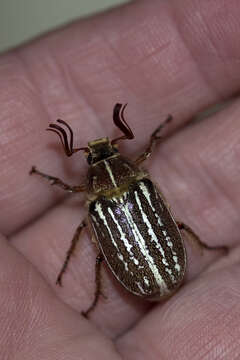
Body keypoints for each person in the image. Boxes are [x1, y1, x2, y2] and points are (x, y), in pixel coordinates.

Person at [0, 1, 239, 358]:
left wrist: (47, 178)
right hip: (159, 267)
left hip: (149, 270)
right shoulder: (139, 177)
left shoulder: (93, 196)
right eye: (105, 151)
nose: (101, 149)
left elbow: (68, 188)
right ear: (122, 158)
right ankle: (198, 250)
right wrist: (156, 133)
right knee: (178, 226)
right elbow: (145, 152)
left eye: (104, 150)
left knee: (99, 254)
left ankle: (103, 293)